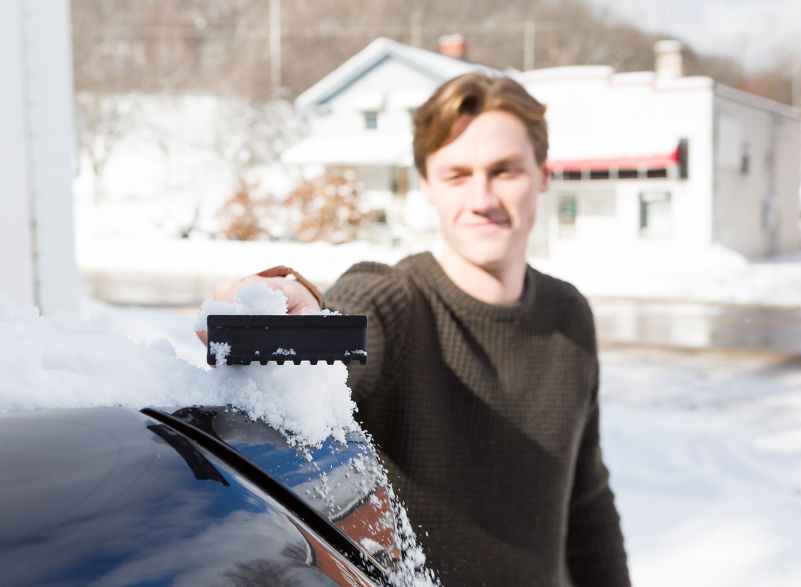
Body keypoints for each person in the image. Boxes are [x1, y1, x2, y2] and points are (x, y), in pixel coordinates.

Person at [200, 72, 630, 586]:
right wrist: (304, 311)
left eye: (504, 171)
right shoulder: (398, 304)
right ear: (426, 183)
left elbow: (588, 500)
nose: (482, 197)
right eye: (457, 175)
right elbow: (346, 323)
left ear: (542, 175)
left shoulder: (569, 315)